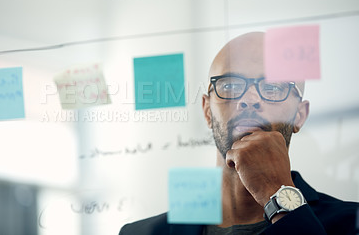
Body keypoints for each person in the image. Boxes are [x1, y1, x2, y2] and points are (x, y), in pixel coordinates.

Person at [119, 32, 358, 234]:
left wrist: (278, 195)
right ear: (207, 111)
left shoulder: (351, 222)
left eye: (273, 87)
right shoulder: (138, 233)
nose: (248, 100)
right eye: (231, 85)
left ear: (299, 115)